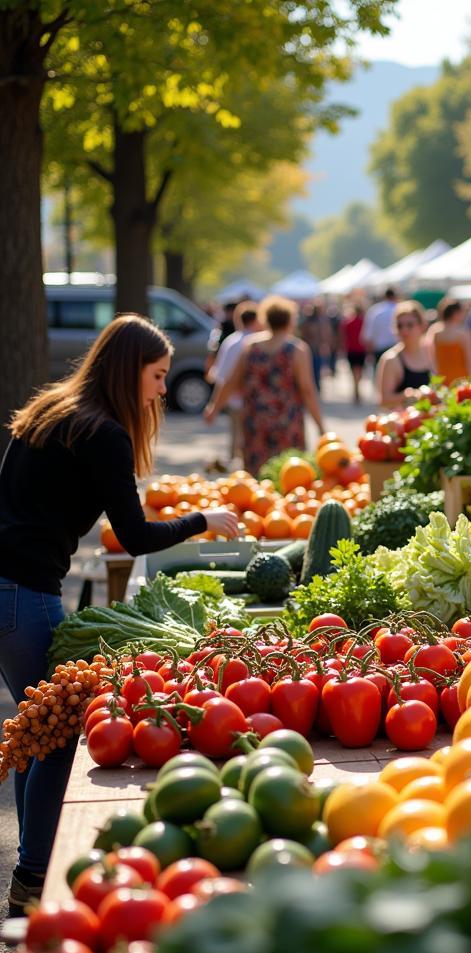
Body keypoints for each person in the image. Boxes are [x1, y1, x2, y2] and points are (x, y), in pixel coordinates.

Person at [0, 315, 239, 911]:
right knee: (54, 735)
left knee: (35, 730)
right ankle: (33, 880)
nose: (163, 389)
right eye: (157, 376)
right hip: (26, 594)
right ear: (128, 370)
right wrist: (202, 522)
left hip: (8, 588)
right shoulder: (103, 432)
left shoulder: (52, 411)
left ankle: (31, 869)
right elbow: (133, 537)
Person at [204, 295, 325, 476]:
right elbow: (307, 390)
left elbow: (230, 382)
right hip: (287, 422)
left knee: (257, 475)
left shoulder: (251, 347)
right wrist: (320, 426)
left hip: (255, 421)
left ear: (265, 318)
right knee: (289, 474)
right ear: (290, 320)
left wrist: (214, 407)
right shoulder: (297, 350)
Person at [206, 301, 260, 466]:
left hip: (235, 399)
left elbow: (221, 376)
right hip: (256, 400)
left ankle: (236, 471)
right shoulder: (258, 342)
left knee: (236, 435)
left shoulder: (231, 342)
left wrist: (214, 405)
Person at [377, 301, 437, 408]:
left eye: (410, 325)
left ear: (422, 326)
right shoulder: (391, 359)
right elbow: (384, 401)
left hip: (429, 420)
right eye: (399, 326)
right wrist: (407, 395)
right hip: (404, 421)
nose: (404, 330)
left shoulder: (430, 350)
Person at [427, 298, 471, 384]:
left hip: (442, 379)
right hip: (461, 381)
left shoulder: (435, 330)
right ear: (455, 313)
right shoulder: (465, 333)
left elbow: (431, 356)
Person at [362, 287, 399, 366]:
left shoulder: (375, 311)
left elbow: (368, 336)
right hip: (397, 350)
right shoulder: (399, 308)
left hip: (379, 351)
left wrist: (369, 354)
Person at [299, 302, 332, 391]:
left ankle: (316, 387)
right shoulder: (309, 322)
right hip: (310, 349)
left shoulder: (319, 321)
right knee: (312, 369)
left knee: (316, 369)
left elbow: (324, 335)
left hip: (316, 349)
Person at [342, 303, 367, 404]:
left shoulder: (348, 322)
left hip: (351, 350)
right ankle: (357, 390)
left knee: (354, 372)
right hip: (360, 349)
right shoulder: (363, 322)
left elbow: (344, 336)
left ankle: (356, 390)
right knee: (359, 372)